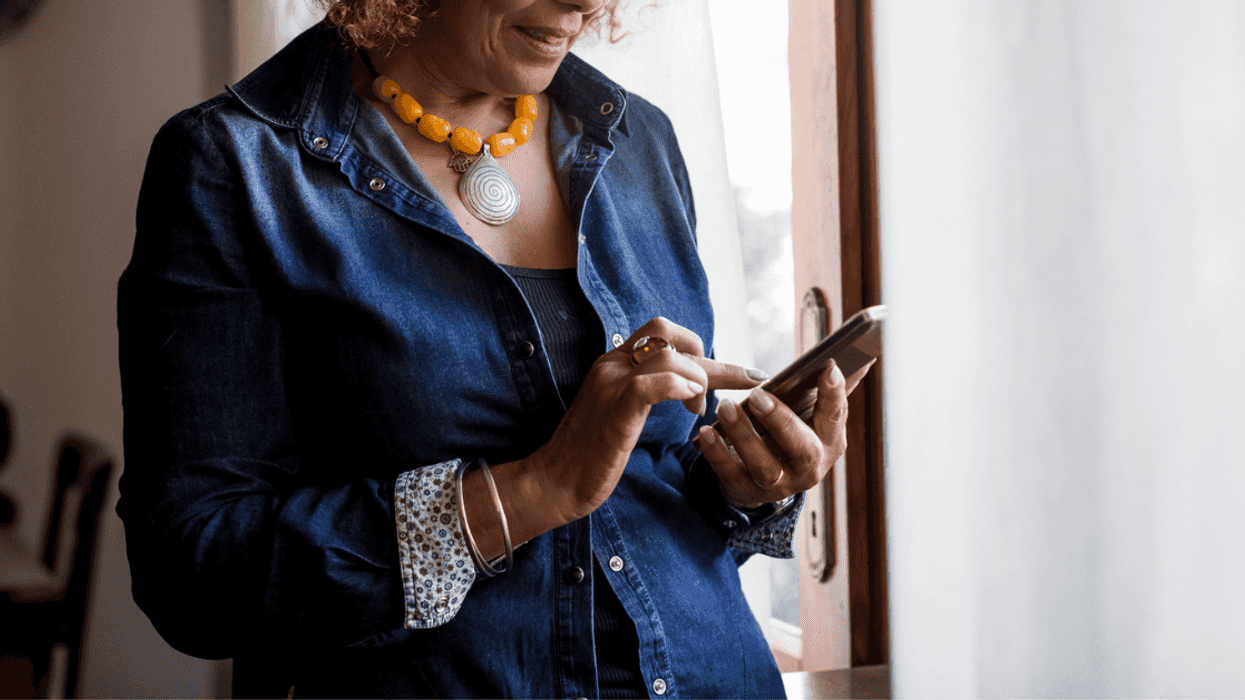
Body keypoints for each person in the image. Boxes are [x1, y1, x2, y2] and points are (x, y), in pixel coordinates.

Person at [117, 0, 872, 697]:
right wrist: (535, 488)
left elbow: (644, 504)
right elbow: (195, 579)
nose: (585, 0)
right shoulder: (233, 164)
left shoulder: (638, 139)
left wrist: (746, 487)